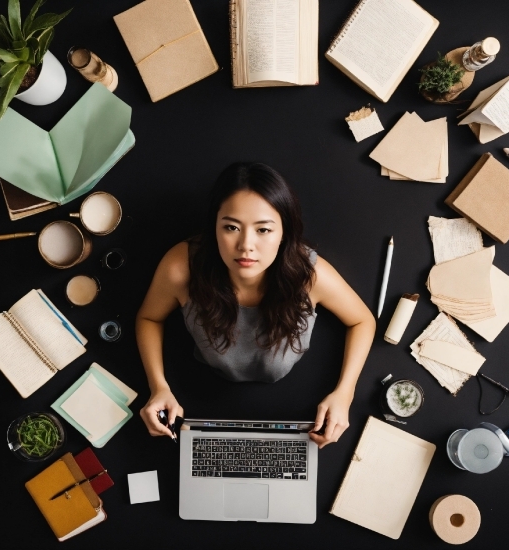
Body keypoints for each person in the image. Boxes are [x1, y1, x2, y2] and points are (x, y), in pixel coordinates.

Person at [136, 162, 375, 448]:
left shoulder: (309, 275)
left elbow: (362, 321)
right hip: (201, 392)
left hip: (295, 401)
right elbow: (149, 318)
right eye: (231, 227)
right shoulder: (181, 267)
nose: (246, 245)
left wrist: (344, 394)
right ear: (214, 227)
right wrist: (158, 387)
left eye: (263, 230)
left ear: (283, 232)